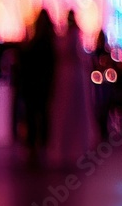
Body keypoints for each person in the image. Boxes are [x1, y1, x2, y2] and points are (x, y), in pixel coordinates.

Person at [48, 10, 95, 167]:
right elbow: (80, 55)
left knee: (66, 111)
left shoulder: (67, 36)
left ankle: (67, 148)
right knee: (72, 111)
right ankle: (74, 148)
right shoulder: (75, 35)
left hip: (68, 77)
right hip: (73, 77)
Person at [20, 9, 56, 155]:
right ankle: (42, 144)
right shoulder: (50, 42)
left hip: (34, 84)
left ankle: (34, 145)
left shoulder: (36, 42)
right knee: (42, 114)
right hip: (43, 84)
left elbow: (27, 61)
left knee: (33, 114)